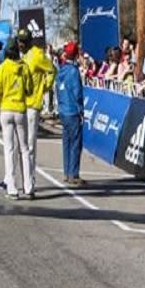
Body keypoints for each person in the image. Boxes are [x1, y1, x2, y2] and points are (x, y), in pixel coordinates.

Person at [0, 39, 34, 199]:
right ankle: (29, 186)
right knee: (24, 149)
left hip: (6, 109)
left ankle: (12, 188)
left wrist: (1, 99)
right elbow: (30, 88)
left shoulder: (3, 67)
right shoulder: (24, 67)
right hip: (20, 109)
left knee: (9, 149)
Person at [20, 29, 56, 174]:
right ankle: (22, 178)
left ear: (29, 41)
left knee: (29, 145)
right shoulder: (22, 56)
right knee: (20, 145)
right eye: (19, 40)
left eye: (23, 41)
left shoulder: (37, 54)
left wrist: (44, 87)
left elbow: (52, 70)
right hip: (20, 105)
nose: (20, 43)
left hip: (33, 105)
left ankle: (30, 179)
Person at [56, 42, 85, 186]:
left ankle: (67, 172)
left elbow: (57, 90)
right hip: (72, 110)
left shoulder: (61, 70)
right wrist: (81, 110)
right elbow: (77, 93)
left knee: (66, 142)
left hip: (63, 110)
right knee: (75, 143)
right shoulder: (73, 71)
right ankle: (74, 174)